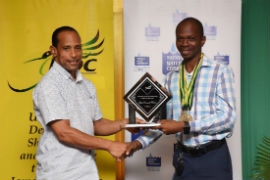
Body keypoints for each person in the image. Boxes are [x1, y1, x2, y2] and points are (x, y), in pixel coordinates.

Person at [127, 17, 236, 180]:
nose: (185, 43)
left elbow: (227, 119)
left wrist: (183, 126)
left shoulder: (220, 72)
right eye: (180, 38)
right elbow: (163, 121)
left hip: (213, 158)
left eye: (191, 38)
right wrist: (136, 144)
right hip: (183, 158)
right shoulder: (171, 78)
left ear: (203, 40)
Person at [33, 26, 136, 180]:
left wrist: (124, 124)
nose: (74, 54)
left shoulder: (87, 85)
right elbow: (64, 133)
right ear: (54, 51)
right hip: (59, 172)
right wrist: (109, 145)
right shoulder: (49, 85)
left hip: (86, 171)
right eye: (67, 48)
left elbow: (96, 125)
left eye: (77, 48)